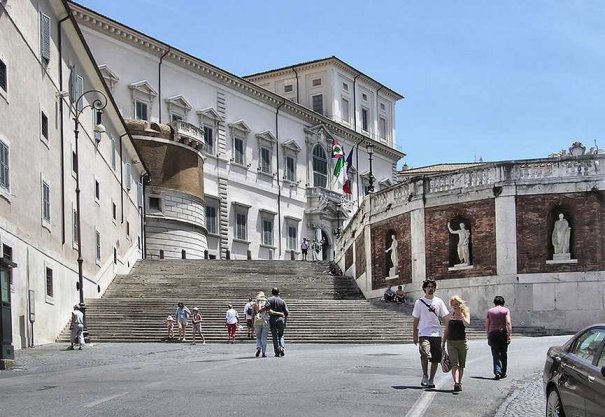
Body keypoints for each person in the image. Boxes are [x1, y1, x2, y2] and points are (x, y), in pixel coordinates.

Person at [412, 280, 450, 389]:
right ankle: (425, 374)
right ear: (424, 289)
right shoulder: (419, 302)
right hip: (423, 333)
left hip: (437, 334)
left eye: (432, 286)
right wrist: (414, 334)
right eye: (428, 286)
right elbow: (416, 319)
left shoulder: (439, 301)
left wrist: (448, 330)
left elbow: (446, 316)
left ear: (435, 288)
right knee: (424, 352)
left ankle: (431, 379)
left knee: (435, 359)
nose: (430, 288)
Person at [443, 295, 470, 392]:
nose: (455, 306)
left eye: (456, 304)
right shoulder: (450, 316)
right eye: (453, 304)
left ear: (460, 304)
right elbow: (446, 330)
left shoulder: (465, 313)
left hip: (462, 342)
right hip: (451, 342)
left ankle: (459, 381)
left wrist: (462, 316)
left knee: (461, 365)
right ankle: (456, 383)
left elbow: (467, 324)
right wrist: (443, 343)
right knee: (454, 364)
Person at [486, 296, 512, 380]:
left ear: (494, 303)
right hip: (502, 333)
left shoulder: (490, 311)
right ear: (503, 302)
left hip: (493, 333)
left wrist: (488, 335)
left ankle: (497, 371)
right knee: (503, 353)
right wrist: (509, 335)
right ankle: (503, 372)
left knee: (495, 353)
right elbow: (508, 322)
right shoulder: (506, 310)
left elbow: (487, 324)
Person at [266, 287, 289, 357]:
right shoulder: (282, 301)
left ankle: (277, 351)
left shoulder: (269, 300)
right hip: (280, 319)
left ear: (272, 292)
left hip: (272, 319)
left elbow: (268, 310)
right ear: (279, 293)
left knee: (275, 336)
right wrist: (285, 322)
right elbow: (286, 313)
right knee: (281, 335)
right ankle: (282, 348)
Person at [253, 291, 270, 357]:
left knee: (258, 337)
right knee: (264, 338)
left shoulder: (255, 303)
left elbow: (253, 314)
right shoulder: (267, 302)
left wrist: (252, 323)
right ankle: (263, 352)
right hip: (265, 320)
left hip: (257, 321)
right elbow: (269, 311)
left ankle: (258, 347)